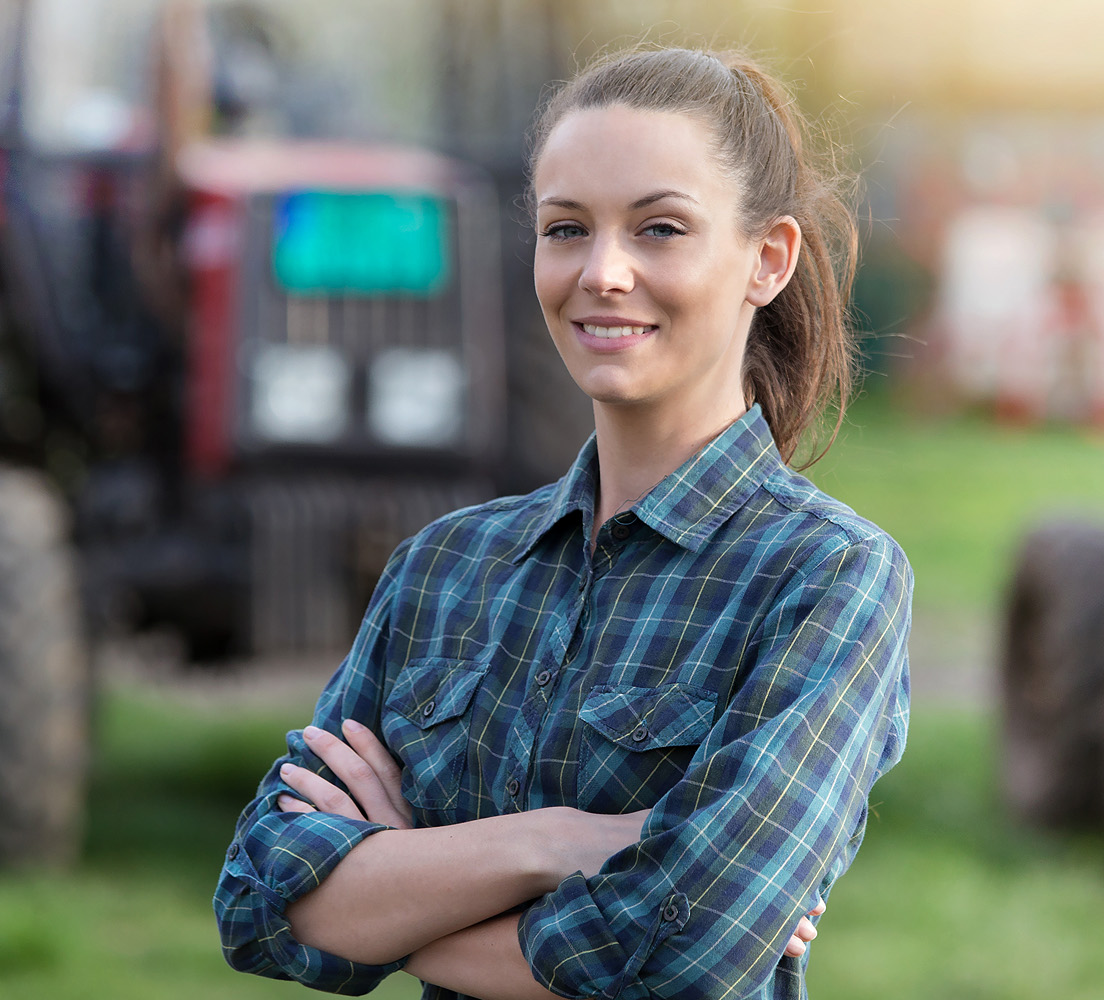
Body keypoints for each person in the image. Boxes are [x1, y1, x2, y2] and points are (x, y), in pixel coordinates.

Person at [214, 45, 911, 1000]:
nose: (604, 272)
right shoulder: (445, 567)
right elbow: (260, 900)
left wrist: (395, 893)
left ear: (767, 259)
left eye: (660, 228)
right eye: (566, 228)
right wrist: (544, 847)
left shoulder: (828, 579)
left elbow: (682, 952)